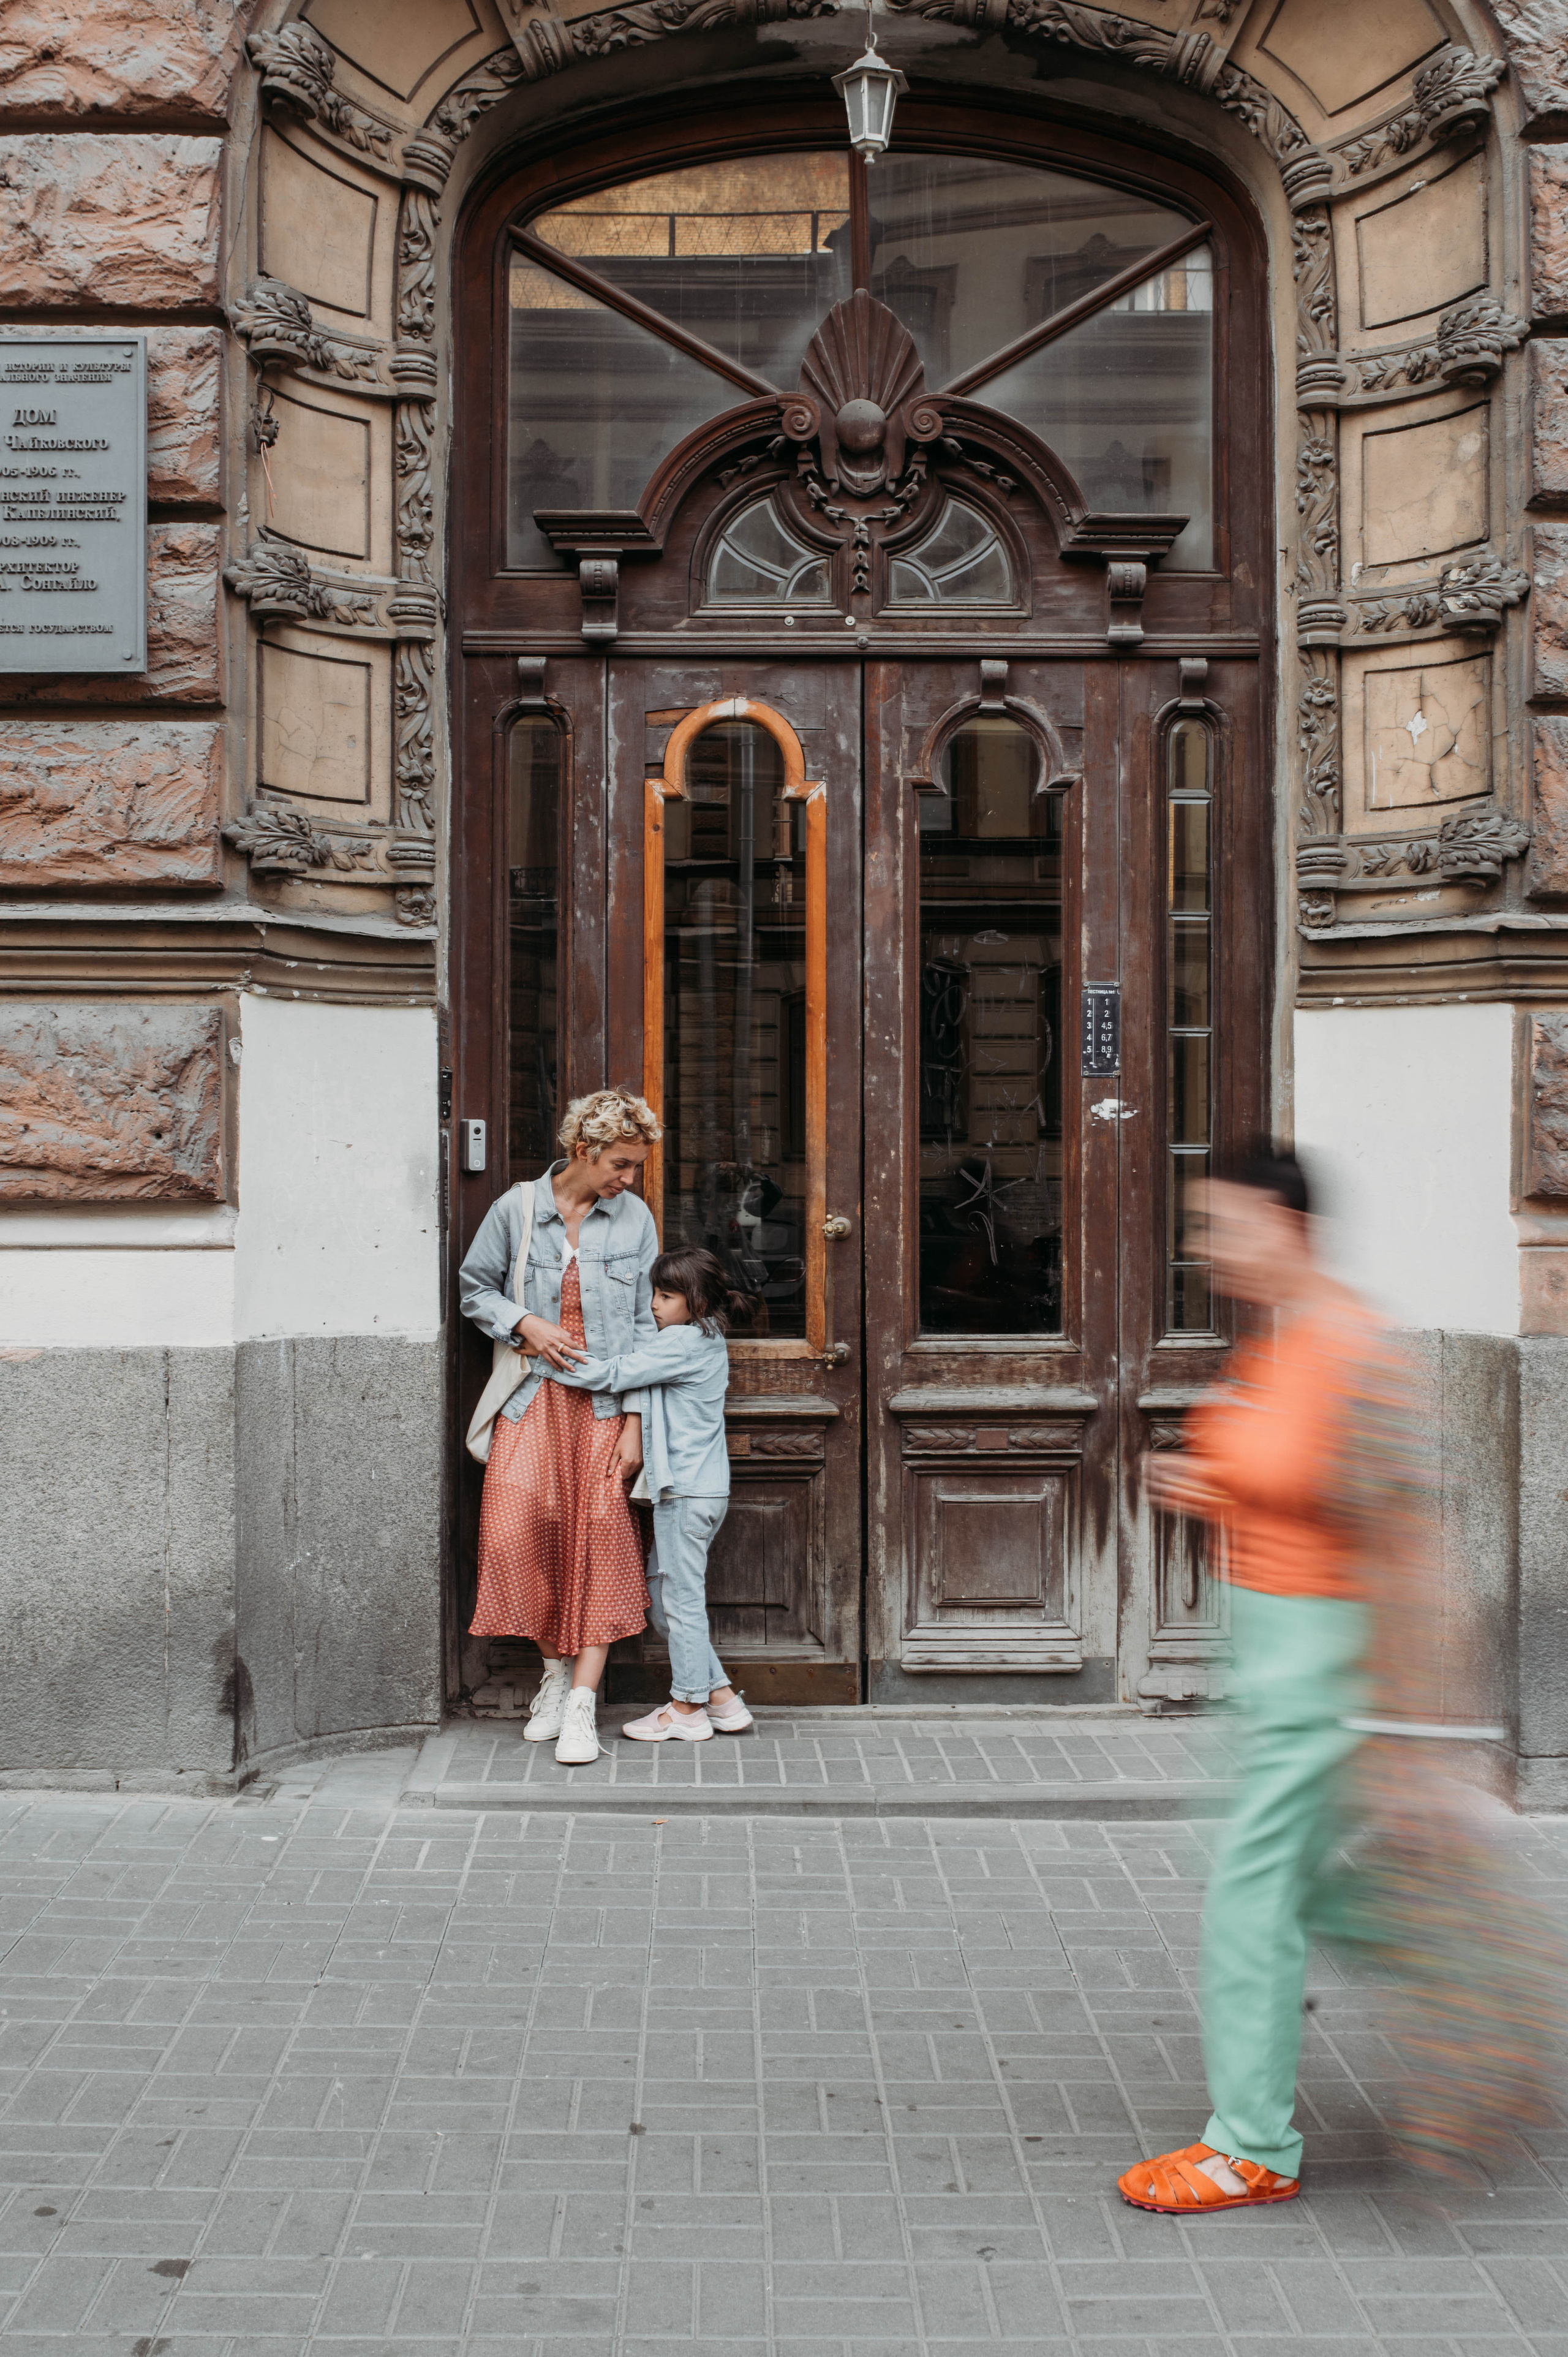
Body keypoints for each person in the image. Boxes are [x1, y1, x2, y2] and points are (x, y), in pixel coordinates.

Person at [1117, 1146, 1399, 2215]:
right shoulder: (1283, 1347)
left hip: (1318, 1659)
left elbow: (1387, 1526)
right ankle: (1497, 2001)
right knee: (1308, 1882)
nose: (1205, 1246)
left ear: (1283, 1224)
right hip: (1280, 1653)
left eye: (1220, 1223)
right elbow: (1283, 1477)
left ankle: (1251, 2147)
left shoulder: (1349, 1347)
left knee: (1251, 1891)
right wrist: (1216, 1477)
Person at [459, 1086, 660, 1766]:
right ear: (585, 1150)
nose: (628, 1181)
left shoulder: (634, 1220)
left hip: (603, 1405)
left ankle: (582, 1704)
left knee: (602, 1543)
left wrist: (635, 1421)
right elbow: (474, 1286)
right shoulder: (515, 1209)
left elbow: (641, 1327)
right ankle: (552, 1675)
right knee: (516, 1535)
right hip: (530, 1400)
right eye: (622, 1165)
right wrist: (525, 1323)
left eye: (634, 1169)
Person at [546, 1246, 754, 1741]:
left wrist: (548, 1362)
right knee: (663, 1599)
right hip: (696, 1491)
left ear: (697, 1301)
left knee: (679, 1602)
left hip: (685, 1492)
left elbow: (611, 1373)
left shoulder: (683, 1341)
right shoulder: (704, 1339)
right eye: (654, 1294)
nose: (654, 1305)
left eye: (665, 1296)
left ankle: (686, 1708)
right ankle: (722, 1699)